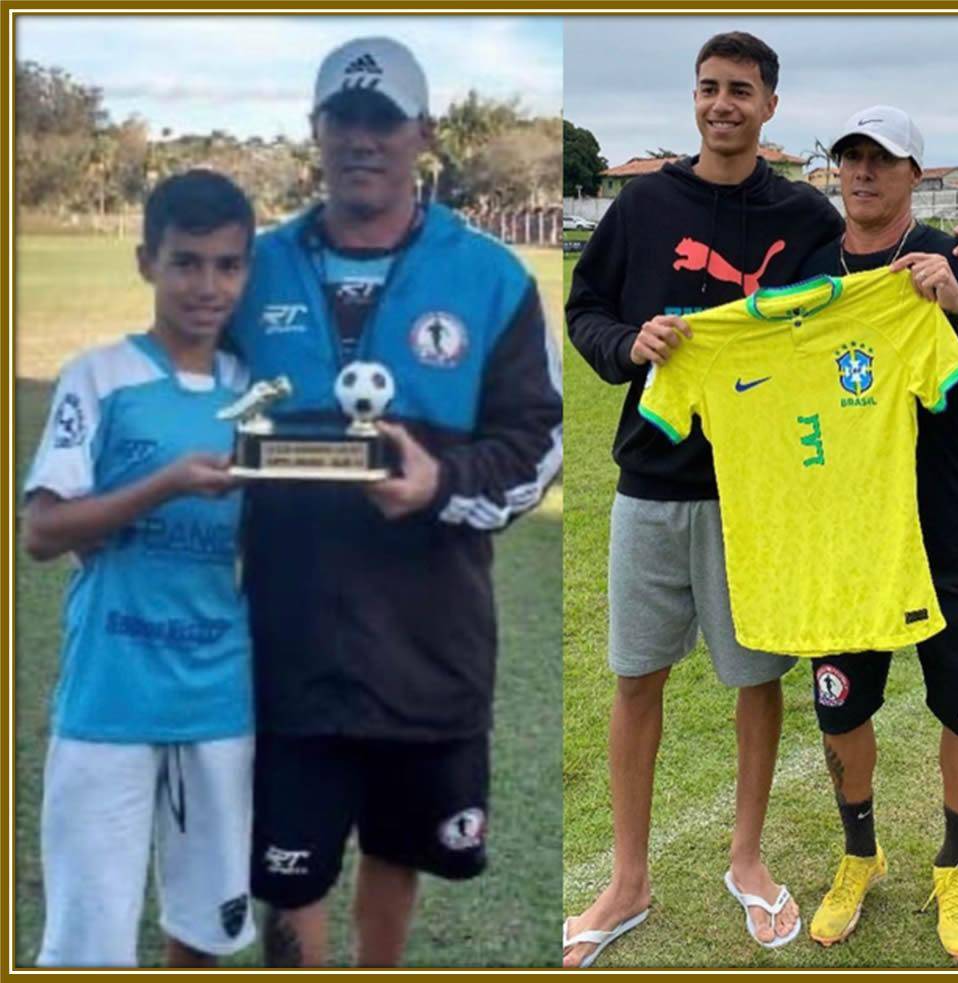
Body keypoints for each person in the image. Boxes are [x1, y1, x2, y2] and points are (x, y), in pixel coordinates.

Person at [563, 32, 958, 966]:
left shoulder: (867, 241)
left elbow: (950, 334)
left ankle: (858, 863)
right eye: (709, 88)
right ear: (696, 99)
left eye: (742, 91)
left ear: (768, 105)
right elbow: (586, 314)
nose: (723, 103)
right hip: (727, 496)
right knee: (694, 682)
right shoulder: (664, 210)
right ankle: (684, 873)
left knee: (812, 685)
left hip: (857, 510)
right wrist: (629, 347)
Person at [225, 37, 562, 967]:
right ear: (317, 130)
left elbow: (537, 446)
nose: (362, 138)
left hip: (429, 649)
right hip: (287, 644)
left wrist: (440, 484)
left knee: (397, 851)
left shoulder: (491, 278)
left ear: (423, 132)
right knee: (289, 877)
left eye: (383, 119)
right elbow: (202, 415)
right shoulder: (254, 270)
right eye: (344, 117)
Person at [798, 106, 958, 960]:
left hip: (953, 528)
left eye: (881, 160)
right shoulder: (809, 271)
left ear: (914, 174)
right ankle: (860, 854)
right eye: (851, 157)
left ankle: (955, 865)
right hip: (845, 536)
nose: (862, 172)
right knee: (840, 703)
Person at [23, 170, 257, 967]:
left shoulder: (255, 391)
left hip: (219, 696)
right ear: (144, 261)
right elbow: (43, 529)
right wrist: (163, 483)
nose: (207, 285)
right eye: (186, 262)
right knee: (90, 940)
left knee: (204, 928)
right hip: (109, 695)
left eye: (227, 265)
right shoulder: (100, 376)